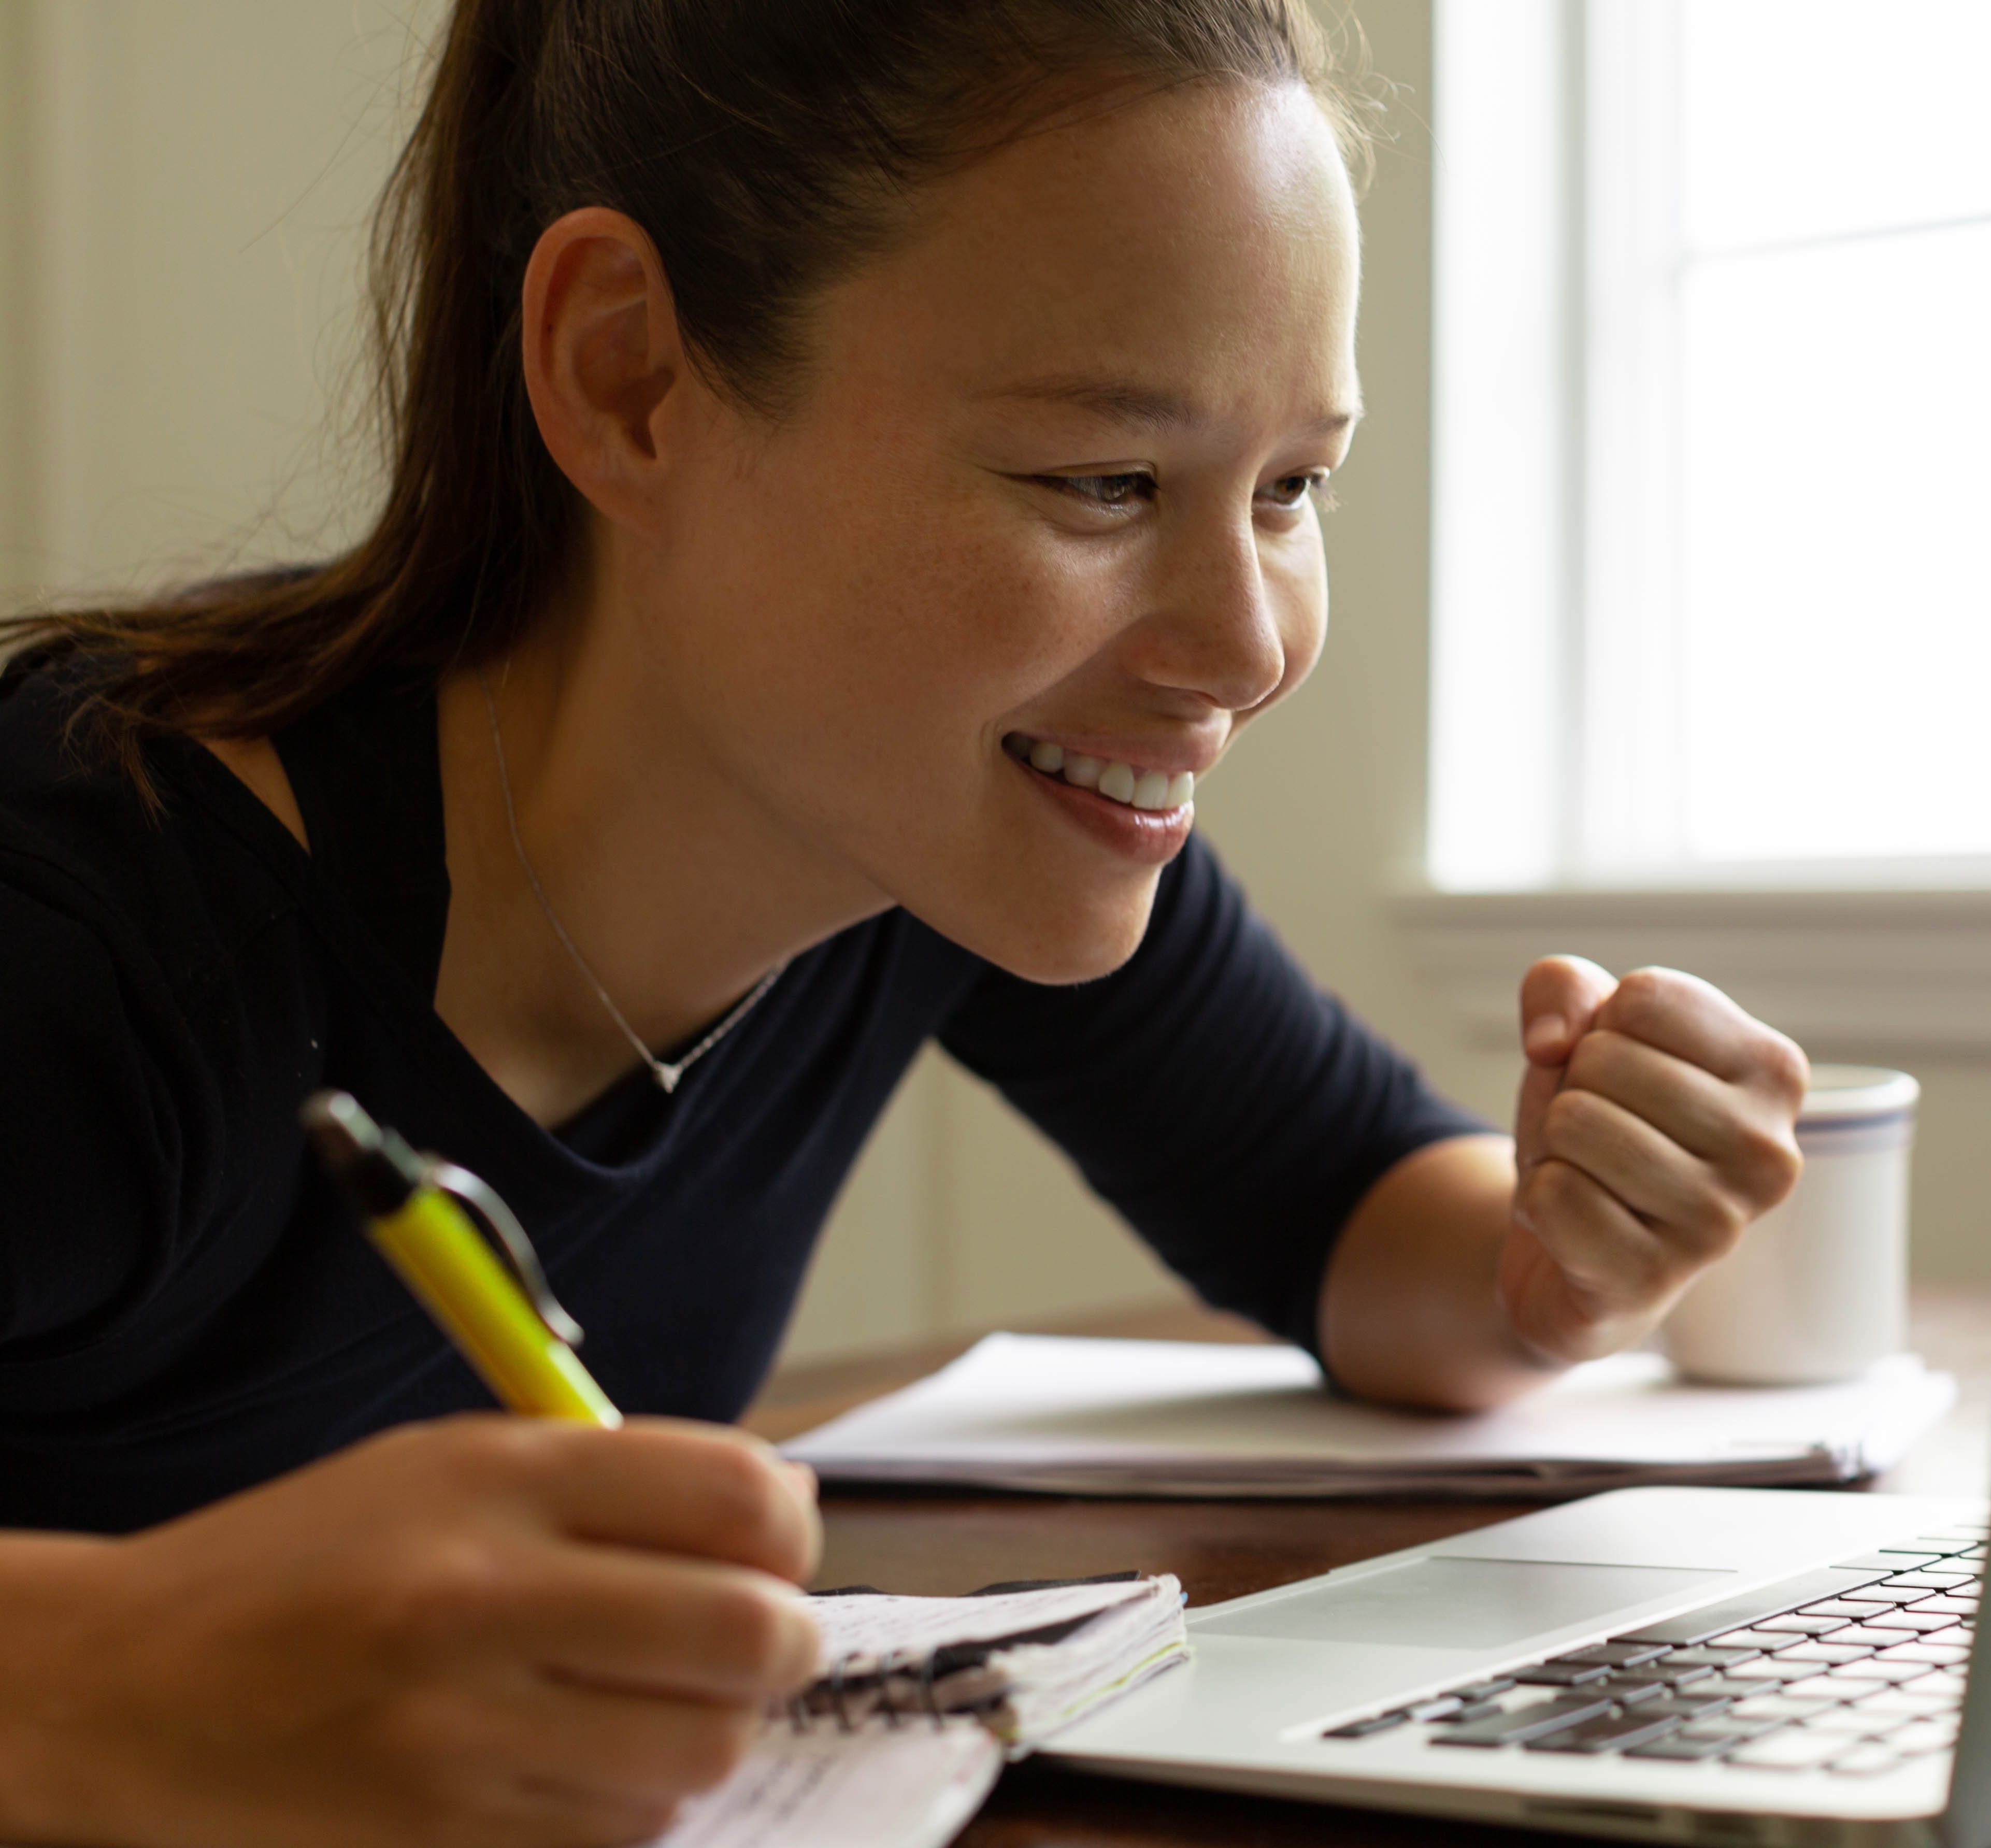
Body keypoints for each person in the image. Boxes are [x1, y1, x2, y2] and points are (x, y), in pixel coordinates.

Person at [0, 2, 1809, 1841]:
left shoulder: (925, 837)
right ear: (629, 373)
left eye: (1290, 489)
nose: (1249, 647)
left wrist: (1564, 1252)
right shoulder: (84, 934)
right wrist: (125, 1675)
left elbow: (1359, 1220)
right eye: (1103, 481)